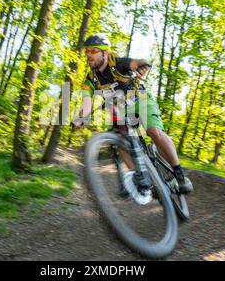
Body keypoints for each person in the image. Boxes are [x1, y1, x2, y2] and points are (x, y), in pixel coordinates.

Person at [73, 34, 193, 194]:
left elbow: (138, 62)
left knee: (153, 132)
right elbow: (86, 101)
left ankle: (179, 174)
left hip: (141, 101)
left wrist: (143, 66)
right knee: (120, 142)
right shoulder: (89, 80)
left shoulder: (118, 64)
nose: (89, 54)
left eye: (94, 51)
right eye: (87, 51)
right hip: (121, 110)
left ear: (105, 53)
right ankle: (143, 179)